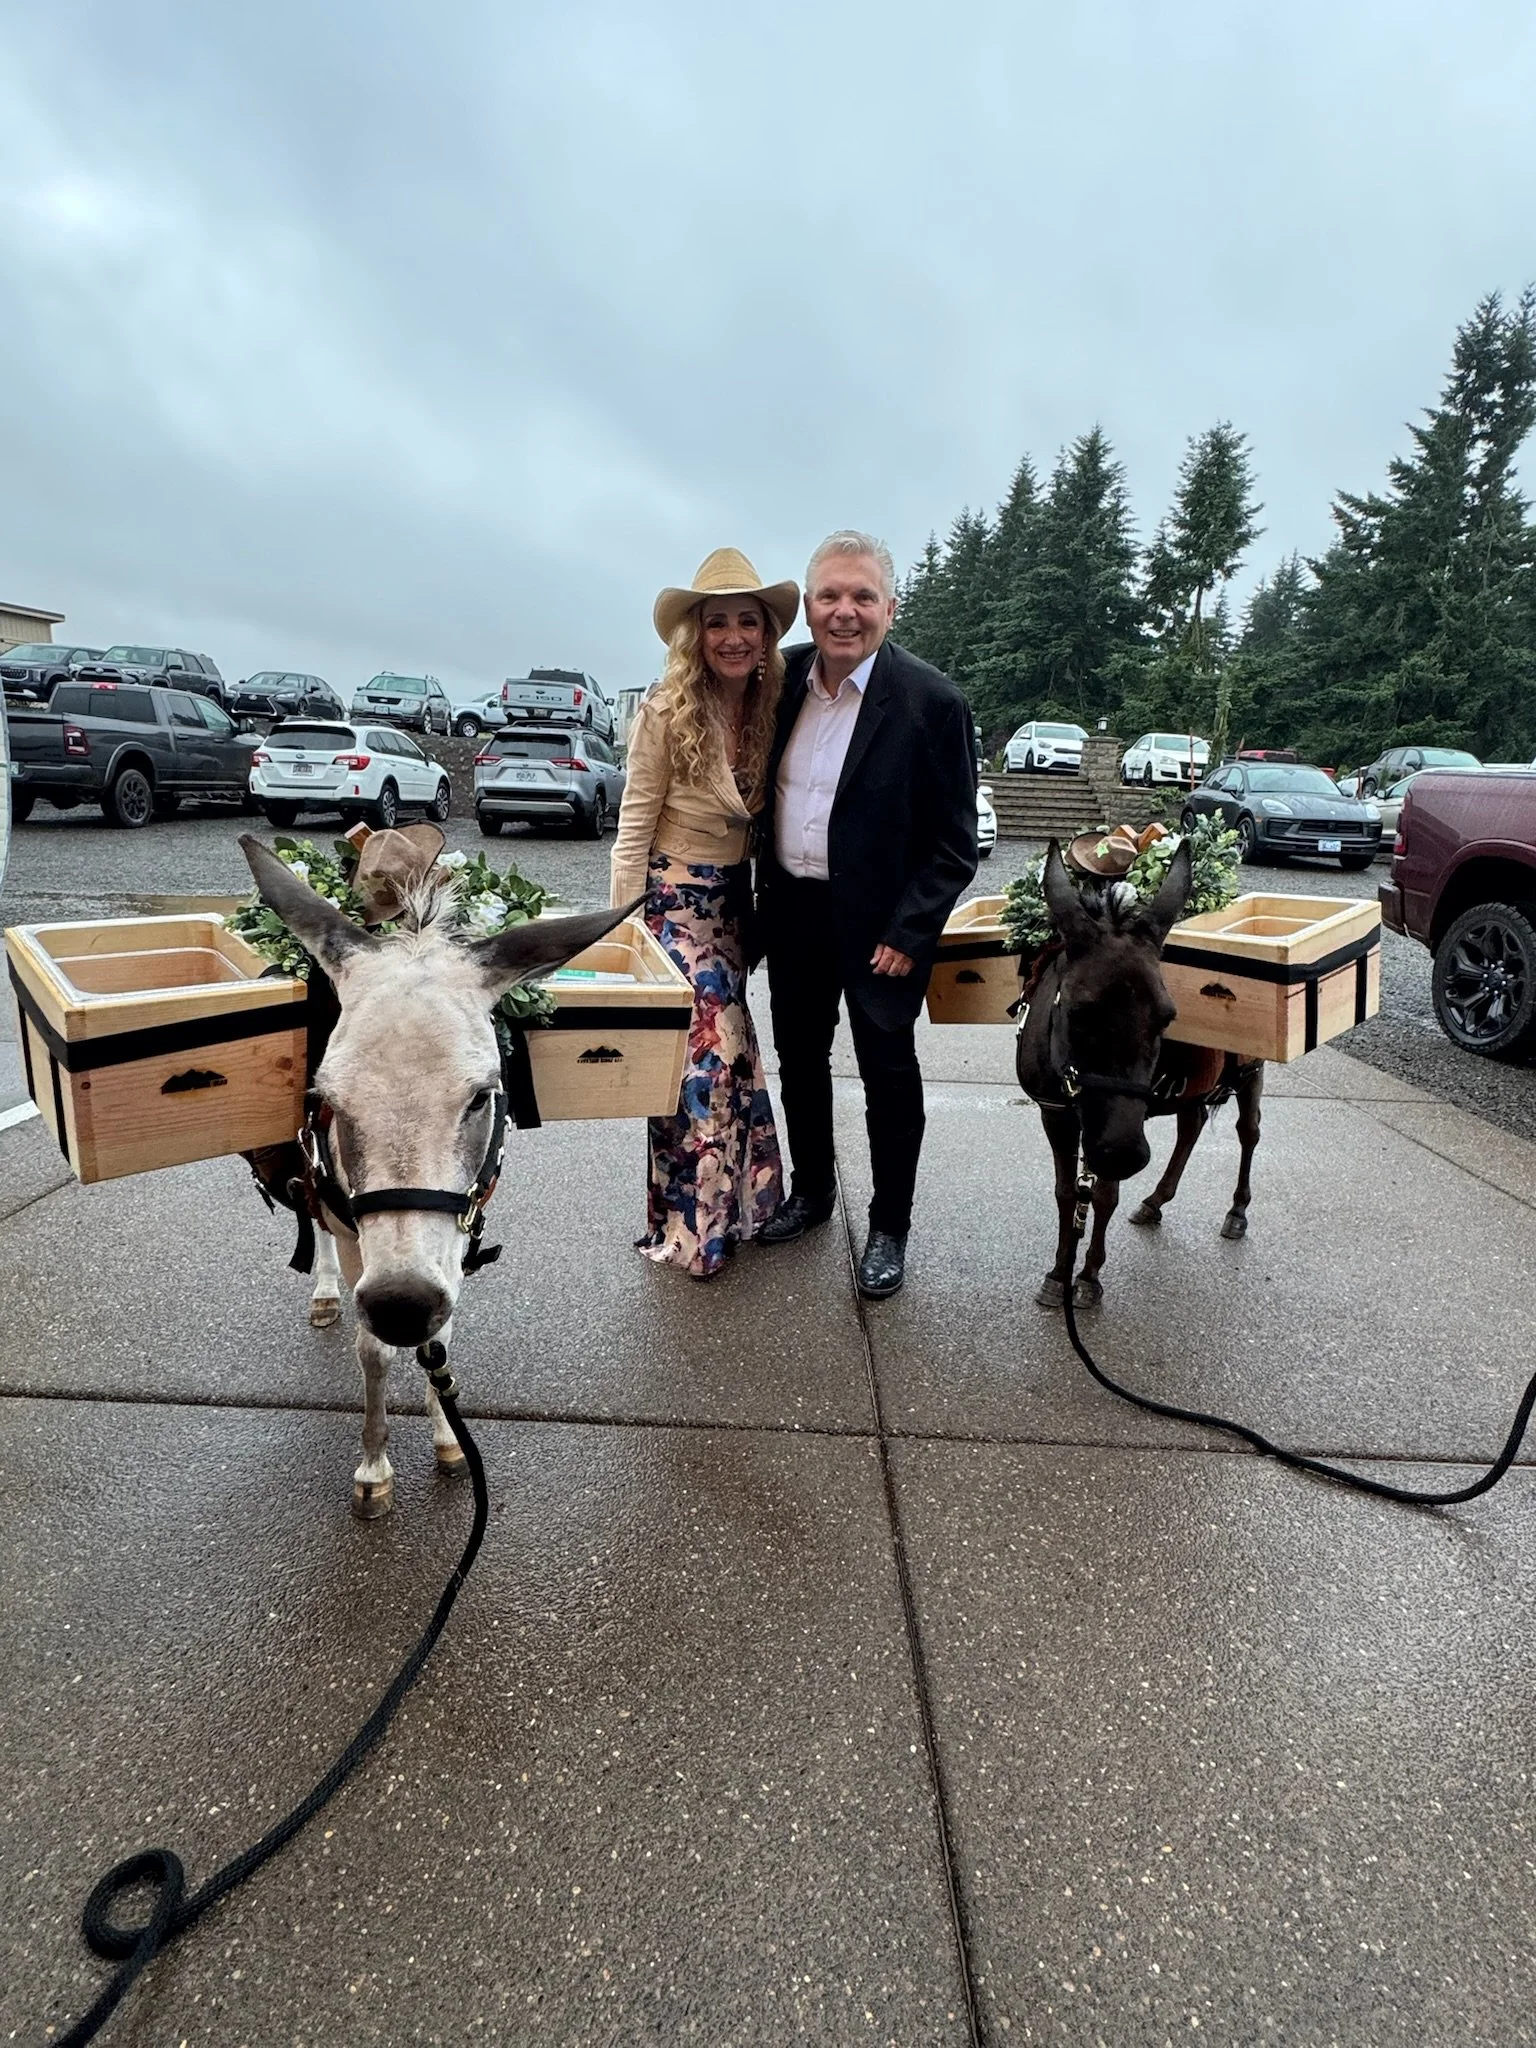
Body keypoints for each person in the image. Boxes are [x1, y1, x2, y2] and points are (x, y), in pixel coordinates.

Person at [756, 530, 978, 1300]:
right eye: (829, 596)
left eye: (862, 596)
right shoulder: (776, 679)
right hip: (795, 911)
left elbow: (954, 846)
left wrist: (908, 932)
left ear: (890, 606)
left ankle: (890, 1226)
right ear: (807, 606)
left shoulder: (932, 703)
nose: (844, 613)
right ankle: (813, 1193)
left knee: (889, 1074)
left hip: (883, 932)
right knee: (801, 1061)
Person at [610, 548, 799, 1279]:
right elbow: (633, 824)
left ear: (765, 633)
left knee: (733, 1059)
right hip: (667, 903)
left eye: (746, 622)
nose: (732, 636)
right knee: (705, 1058)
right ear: (696, 633)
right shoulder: (666, 710)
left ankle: (734, 1211)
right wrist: (623, 930)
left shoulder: (772, 705)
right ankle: (696, 1228)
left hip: (731, 907)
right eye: (716, 622)